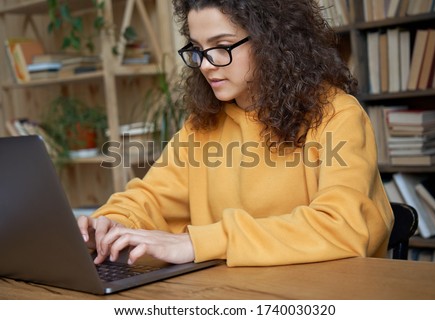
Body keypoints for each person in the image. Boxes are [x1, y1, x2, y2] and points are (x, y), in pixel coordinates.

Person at [78, 0, 393, 267]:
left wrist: (198, 243)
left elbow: (343, 227)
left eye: (222, 47)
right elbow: (152, 199)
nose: (205, 65)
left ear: (273, 41)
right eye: (198, 50)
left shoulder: (339, 116)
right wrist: (111, 223)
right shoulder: (202, 126)